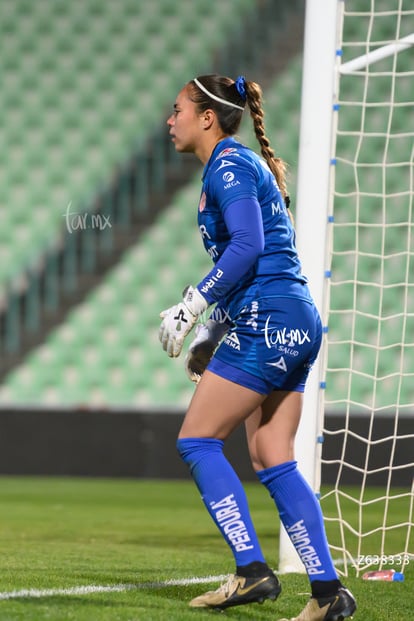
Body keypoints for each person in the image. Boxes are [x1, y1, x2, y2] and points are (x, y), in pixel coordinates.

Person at [159, 74, 356, 621]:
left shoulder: (227, 165)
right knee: (273, 456)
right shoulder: (238, 165)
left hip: (268, 320)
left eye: (176, 109)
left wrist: (193, 305)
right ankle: (327, 593)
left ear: (206, 117)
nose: (168, 119)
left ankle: (251, 572)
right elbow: (258, 260)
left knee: (197, 441)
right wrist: (210, 329)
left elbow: (249, 245)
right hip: (295, 319)